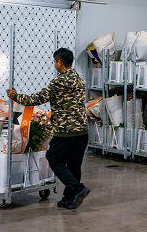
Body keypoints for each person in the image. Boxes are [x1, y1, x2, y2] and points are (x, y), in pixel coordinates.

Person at [7, 48, 90, 210]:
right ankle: (70, 198)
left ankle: (78, 189)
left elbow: (37, 98)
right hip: (82, 130)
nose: (54, 65)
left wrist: (15, 96)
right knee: (74, 164)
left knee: (54, 158)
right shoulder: (80, 79)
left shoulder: (59, 81)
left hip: (66, 131)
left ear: (59, 62)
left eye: (54, 62)